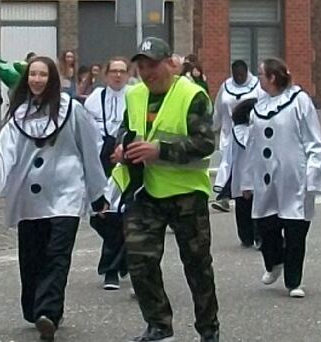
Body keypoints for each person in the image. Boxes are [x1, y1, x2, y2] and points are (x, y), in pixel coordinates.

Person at [0, 56, 108, 341]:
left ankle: (48, 312)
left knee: (58, 254)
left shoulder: (72, 110)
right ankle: (37, 308)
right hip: (30, 198)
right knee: (32, 256)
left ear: (51, 79)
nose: (37, 80)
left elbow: (90, 151)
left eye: (42, 75)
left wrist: (99, 194)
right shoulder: (18, 116)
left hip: (67, 193)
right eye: (32, 75)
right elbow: (4, 153)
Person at [111, 37, 219, 342]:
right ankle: (159, 325)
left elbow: (205, 143)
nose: (147, 72)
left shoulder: (192, 95)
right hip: (144, 191)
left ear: (170, 63)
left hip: (186, 193)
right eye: (142, 66)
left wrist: (160, 150)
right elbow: (126, 129)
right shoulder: (134, 95)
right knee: (140, 261)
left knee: (197, 265)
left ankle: (208, 329)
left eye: (153, 65)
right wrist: (123, 147)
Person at [233, 57, 321, 298]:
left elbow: (313, 140)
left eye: (261, 75)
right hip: (266, 179)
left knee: (295, 229)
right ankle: (273, 263)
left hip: (294, 177)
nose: (258, 79)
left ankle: (294, 280)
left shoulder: (299, 101)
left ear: (272, 78)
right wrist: (247, 181)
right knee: (266, 225)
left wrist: (313, 176)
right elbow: (252, 147)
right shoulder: (259, 108)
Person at [83, 57, 130, 290]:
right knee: (98, 214)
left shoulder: (135, 96)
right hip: (101, 159)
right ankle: (123, 257)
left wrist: (124, 148)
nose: (118, 76)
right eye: (114, 71)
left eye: (122, 71)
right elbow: (88, 131)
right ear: (106, 74)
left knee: (118, 213)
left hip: (127, 159)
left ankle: (110, 268)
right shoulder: (94, 100)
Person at [211, 60, 264, 247]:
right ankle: (245, 233)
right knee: (237, 185)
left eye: (241, 74)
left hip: (254, 134)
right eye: (236, 75)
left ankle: (259, 232)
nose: (239, 78)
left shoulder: (258, 86)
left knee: (253, 185)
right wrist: (210, 130)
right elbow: (217, 112)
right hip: (230, 138)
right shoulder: (225, 87)